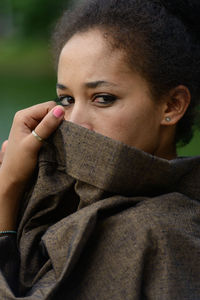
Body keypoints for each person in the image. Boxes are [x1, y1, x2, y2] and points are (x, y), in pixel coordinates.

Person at [0, 0, 200, 298]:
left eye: (103, 98)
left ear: (171, 105)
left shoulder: (154, 235)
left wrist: (6, 189)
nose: (75, 123)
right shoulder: (71, 204)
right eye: (66, 100)